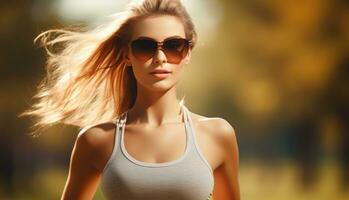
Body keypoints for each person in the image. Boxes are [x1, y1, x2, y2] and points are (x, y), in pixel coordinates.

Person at [20, 0, 240, 199]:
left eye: (173, 46)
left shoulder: (217, 135)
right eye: (145, 46)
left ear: (188, 53)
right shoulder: (96, 140)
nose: (160, 58)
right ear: (127, 54)